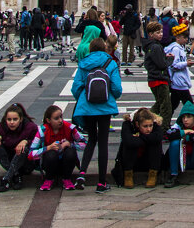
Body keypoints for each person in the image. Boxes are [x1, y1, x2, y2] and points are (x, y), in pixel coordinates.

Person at [72, 36, 122, 193]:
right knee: (103, 143)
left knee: (91, 140)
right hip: (105, 107)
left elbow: (75, 88)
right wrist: (109, 95)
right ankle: (101, 183)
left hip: (88, 107)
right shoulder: (110, 63)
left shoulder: (84, 63)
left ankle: (81, 173)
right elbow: (117, 89)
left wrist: (84, 97)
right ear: (104, 48)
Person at [0, 103, 39, 192]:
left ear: (21, 119)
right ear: (5, 120)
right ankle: (15, 175)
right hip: (9, 162)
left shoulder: (30, 127)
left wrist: (26, 141)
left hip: (26, 164)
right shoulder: (1, 127)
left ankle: (6, 179)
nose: (12, 122)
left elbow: (40, 143)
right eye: (9, 119)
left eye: (15, 119)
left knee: (23, 149)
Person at [27, 105, 85, 192]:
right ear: (48, 120)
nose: (60, 121)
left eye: (61, 117)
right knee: (51, 154)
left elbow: (85, 144)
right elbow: (30, 154)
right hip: (49, 164)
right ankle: (49, 179)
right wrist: (48, 148)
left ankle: (67, 179)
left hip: (66, 164)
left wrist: (70, 144)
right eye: (56, 118)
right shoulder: (42, 131)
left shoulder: (70, 128)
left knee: (70, 151)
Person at [113, 108, 163, 189]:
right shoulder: (127, 124)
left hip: (149, 160)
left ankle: (153, 175)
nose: (149, 129)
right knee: (130, 145)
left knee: (155, 144)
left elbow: (158, 137)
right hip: (132, 160)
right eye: (145, 126)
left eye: (150, 126)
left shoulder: (155, 123)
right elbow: (128, 141)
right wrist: (147, 138)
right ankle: (128, 174)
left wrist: (140, 136)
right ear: (137, 124)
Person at [166, 23, 193, 113]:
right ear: (178, 38)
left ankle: (165, 121)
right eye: (184, 38)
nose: (186, 40)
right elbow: (174, 65)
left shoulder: (179, 48)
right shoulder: (176, 49)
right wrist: (186, 64)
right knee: (189, 104)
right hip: (179, 81)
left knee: (173, 104)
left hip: (178, 81)